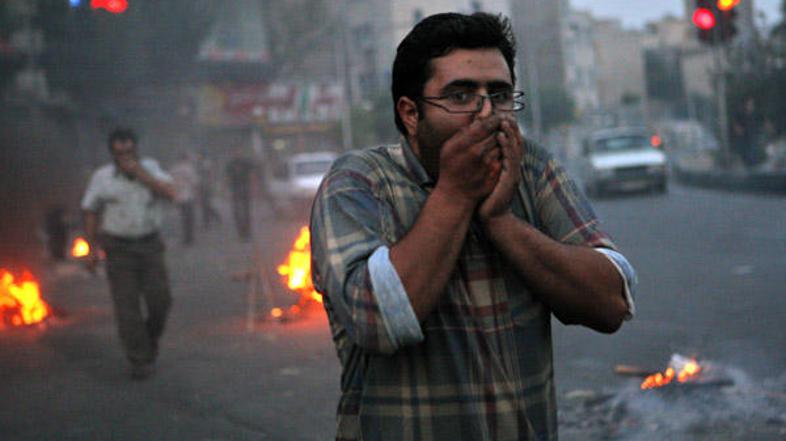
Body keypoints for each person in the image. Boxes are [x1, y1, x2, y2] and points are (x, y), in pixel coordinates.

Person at [309, 12, 637, 441]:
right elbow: (376, 321)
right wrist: (456, 194)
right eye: (461, 96)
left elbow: (611, 302)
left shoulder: (532, 168)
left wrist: (501, 221)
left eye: (499, 95)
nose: (486, 113)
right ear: (410, 113)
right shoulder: (359, 181)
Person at [81, 128, 177, 380]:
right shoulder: (102, 178)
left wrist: (141, 175)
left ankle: (148, 341)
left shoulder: (151, 168)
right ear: (112, 152)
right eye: (119, 152)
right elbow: (90, 210)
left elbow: (172, 194)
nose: (124, 156)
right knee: (127, 307)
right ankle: (139, 359)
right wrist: (91, 249)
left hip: (149, 246)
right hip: (118, 249)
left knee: (160, 301)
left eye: (129, 150)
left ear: (136, 148)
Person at [225, 147, 257, 241]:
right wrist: (227, 190)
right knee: (237, 212)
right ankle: (241, 233)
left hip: (245, 187)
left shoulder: (246, 162)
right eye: (235, 152)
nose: (237, 153)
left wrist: (253, 187)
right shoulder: (230, 164)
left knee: (246, 211)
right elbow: (227, 178)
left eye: (238, 151)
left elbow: (252, 175)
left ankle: (247, 231)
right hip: (235, 189)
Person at [169, 153, 200, 245]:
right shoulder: (189, 168)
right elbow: (194, 182)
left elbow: (170, 182)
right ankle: (189, 237)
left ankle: (186, 237)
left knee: (183, 217)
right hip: (188, 195)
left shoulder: (174, 169)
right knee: (190, 218)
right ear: (186, 159)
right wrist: (197, 194)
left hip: (178, 197)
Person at [196, 152, 222, 228]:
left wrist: (211, 184)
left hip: (207, 186)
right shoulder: (199, 164)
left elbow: (211, 174)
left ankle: (210, 220)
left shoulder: (206, 163)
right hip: (202, 186)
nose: (198, 157)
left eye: (199, 156)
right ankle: (209, 220)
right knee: (204, 205)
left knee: (206, 204)